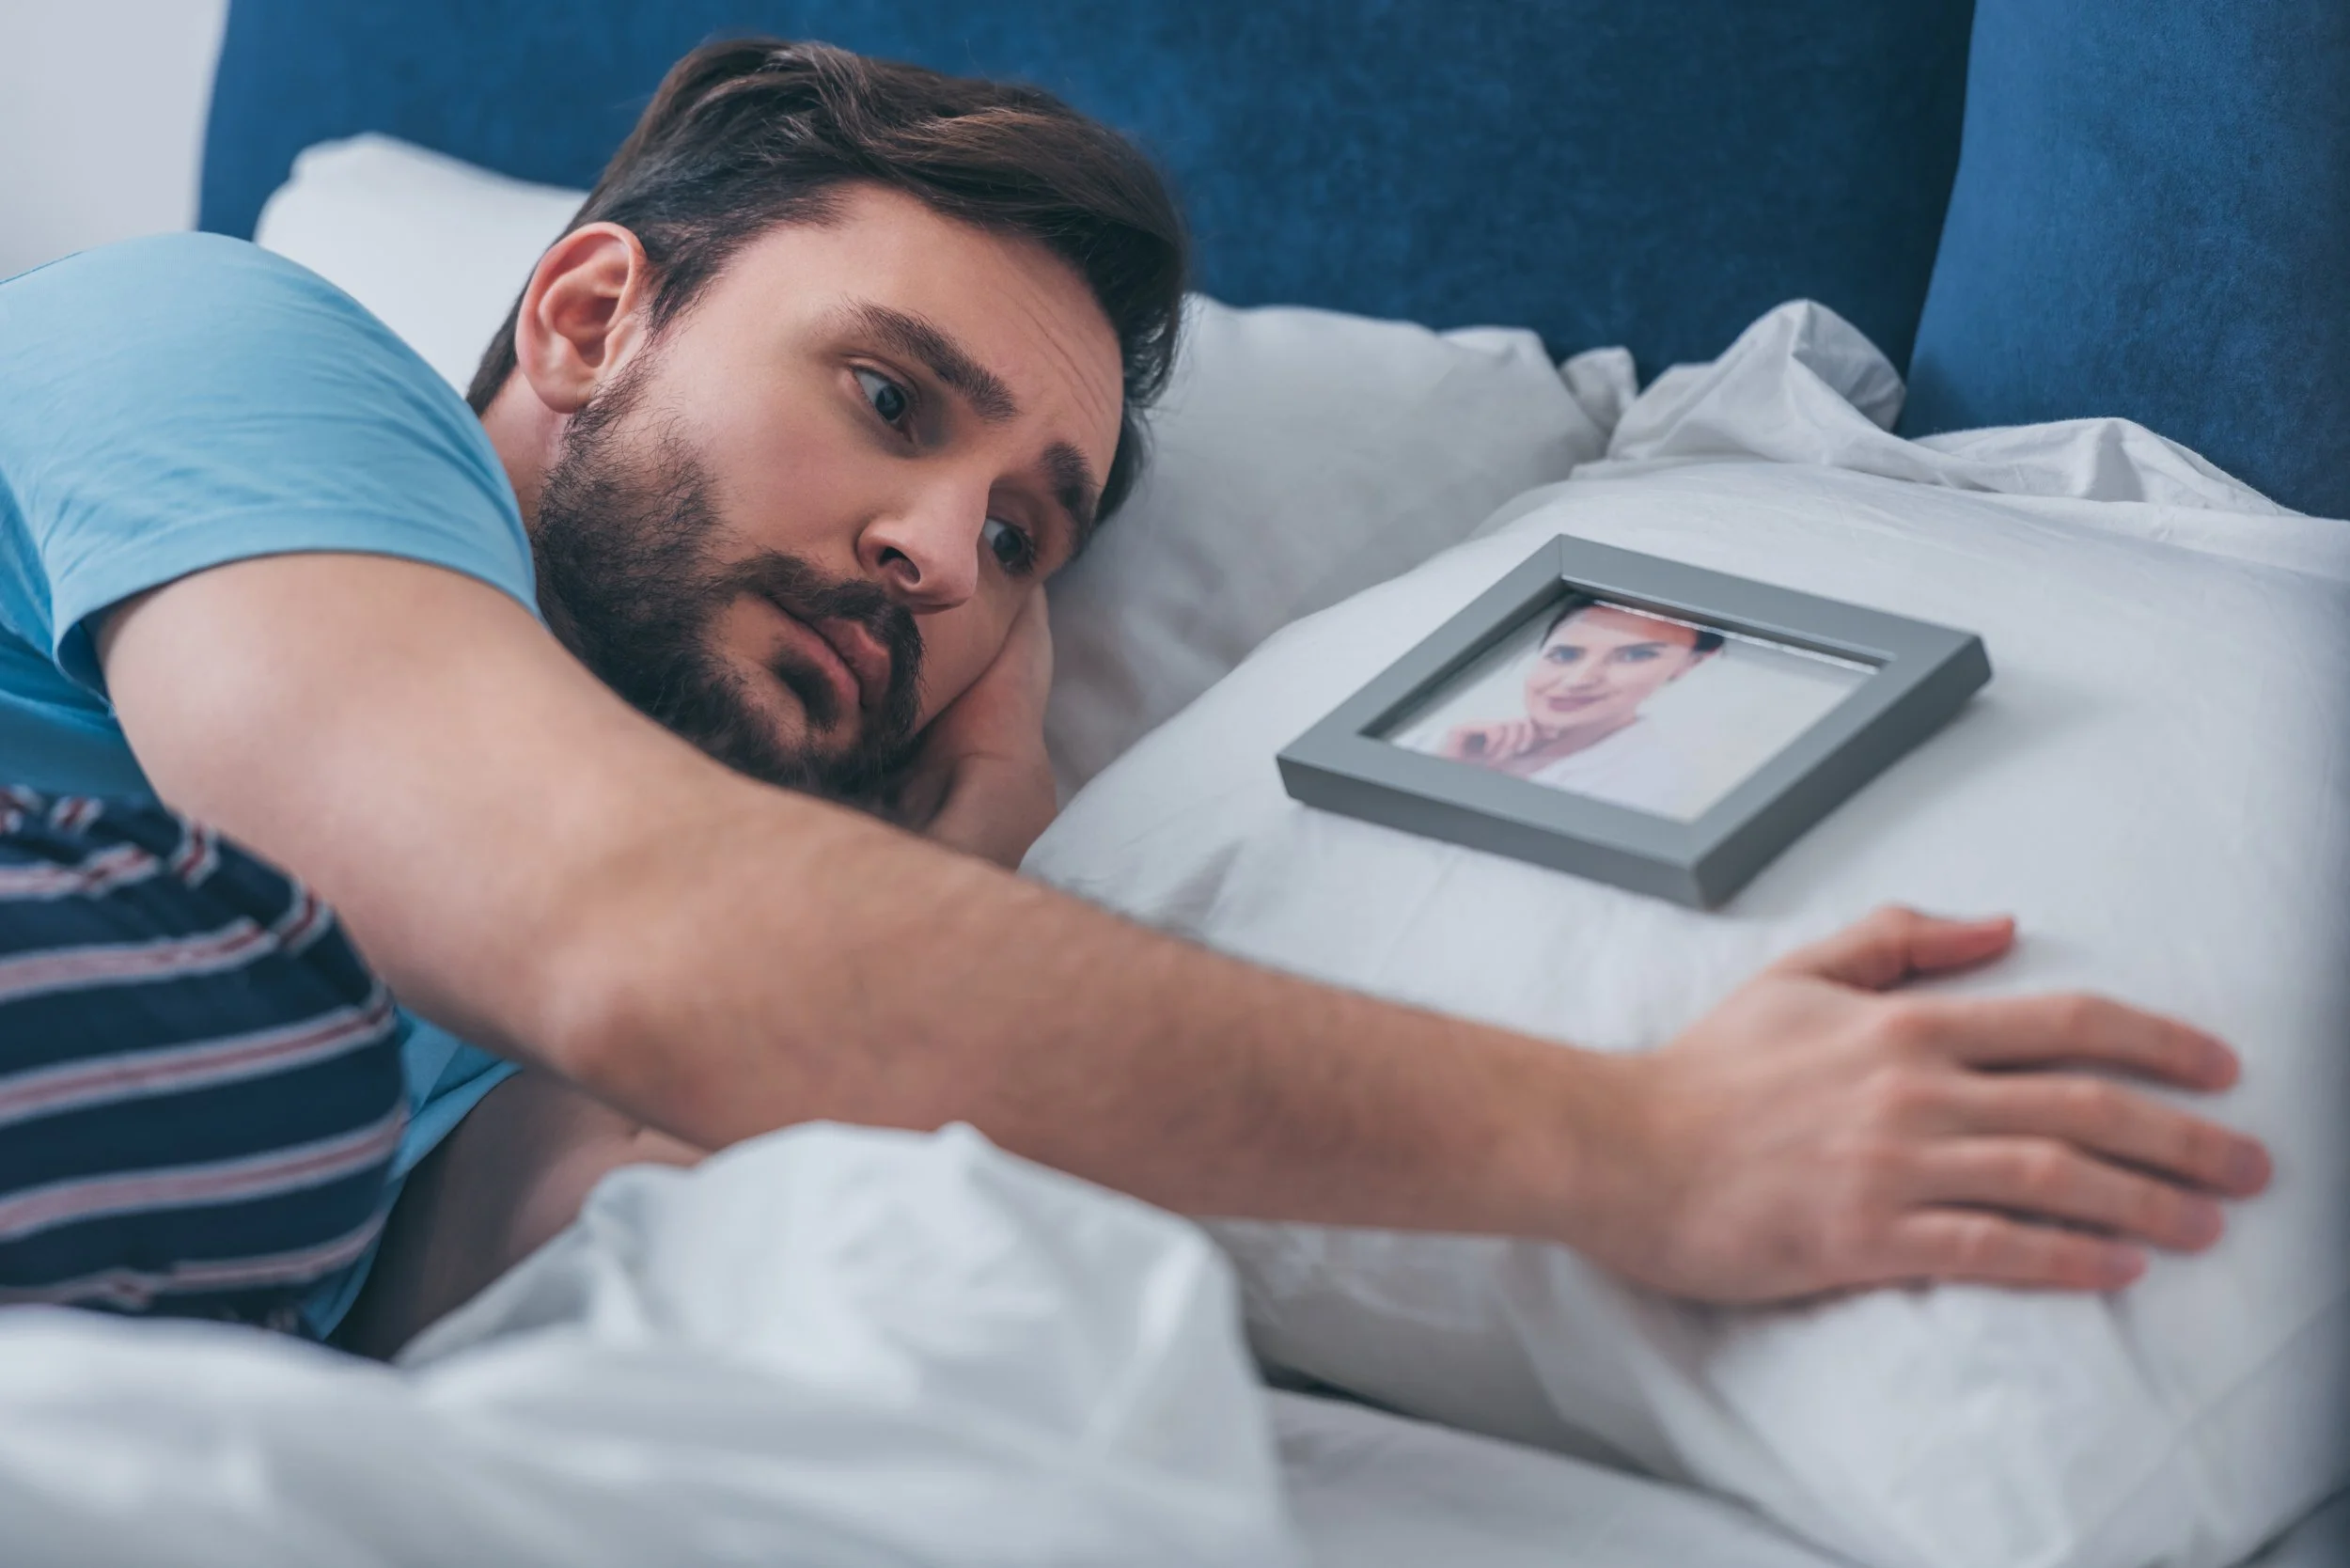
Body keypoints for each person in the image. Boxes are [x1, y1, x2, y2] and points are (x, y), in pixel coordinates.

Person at [0, 40, 2268, 1351]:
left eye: (1022, 537)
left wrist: (973, 841)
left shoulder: (497, 1041)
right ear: (588, 323)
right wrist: (1643, 1145)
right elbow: (637, 916)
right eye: (891, 401)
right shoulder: (224, 352)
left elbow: (662, 1247)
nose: (938, 561)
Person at [1435, 595, 1723, 816]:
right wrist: (1454, 771)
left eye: (1634, 655)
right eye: (1563, 655)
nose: (1579, 681)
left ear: (1692, 662)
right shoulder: (1449, 740)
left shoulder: (1666, 786)